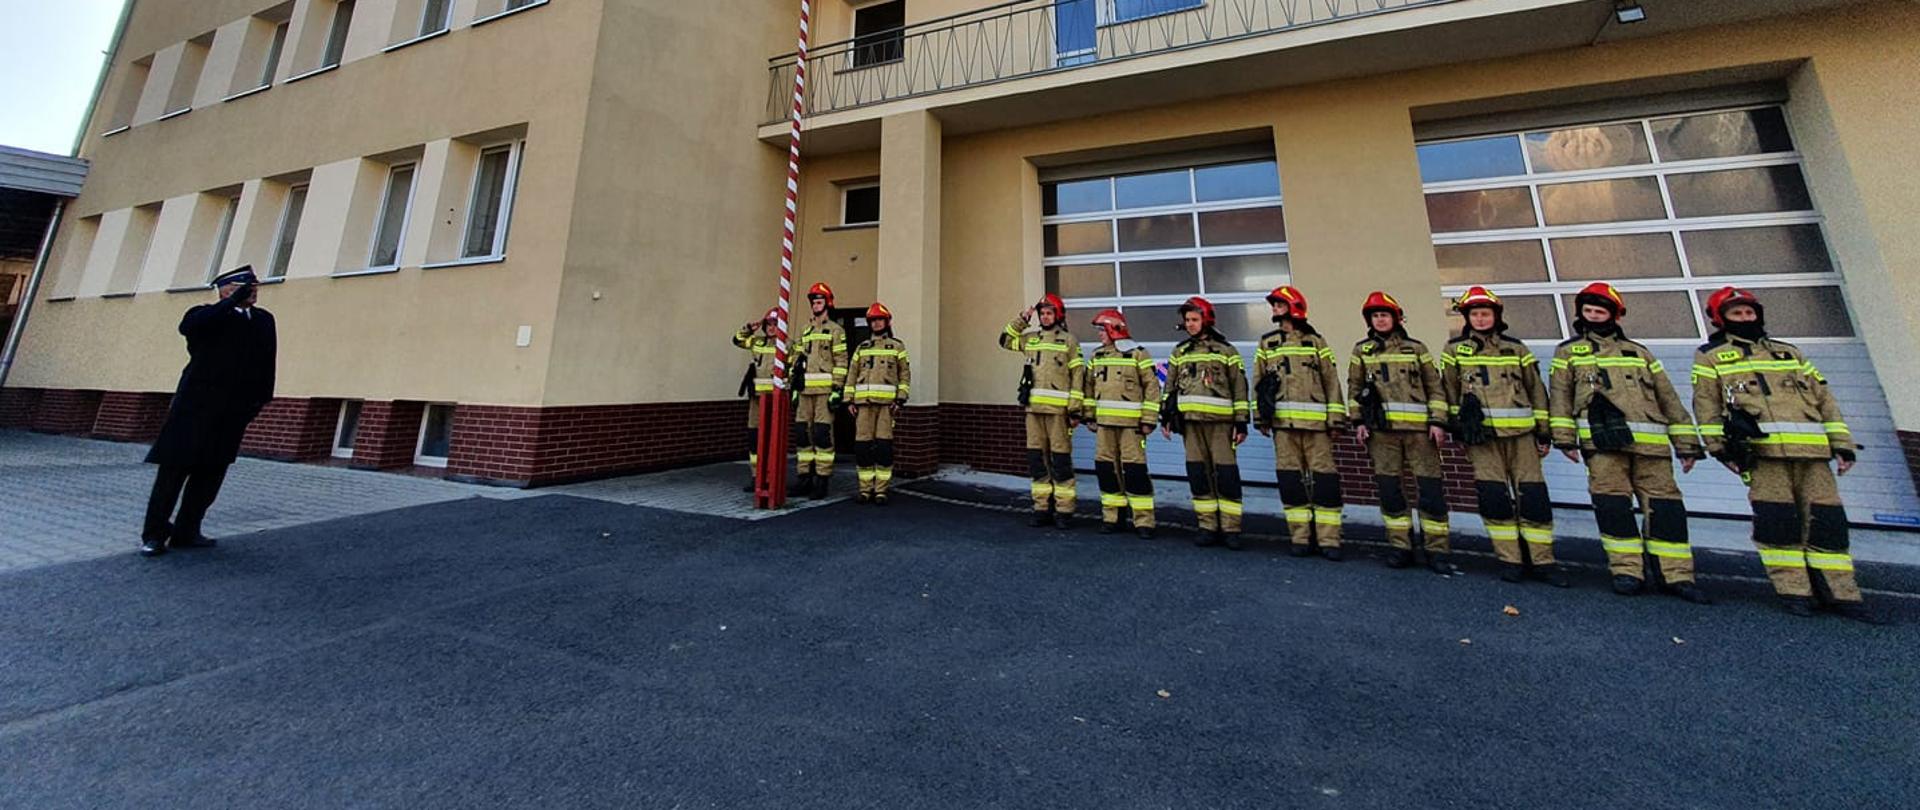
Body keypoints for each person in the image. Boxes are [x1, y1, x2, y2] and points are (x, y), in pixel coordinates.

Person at [1692, 286, 1882, 622]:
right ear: (1722, 319)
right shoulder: (1711, 356)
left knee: (1828, 524)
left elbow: (1826, 401)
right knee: (1777, 524)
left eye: (1749, 312)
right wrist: (1719, 449)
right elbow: (1706, 406)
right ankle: (1795, 592)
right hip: (1762, 456)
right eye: (1736, 314)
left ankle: (1843, 594)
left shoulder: (1790, 353)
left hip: (1812, 455)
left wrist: (1842, 444)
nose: (1745, 318)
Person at [1549, 283, 1710, 603]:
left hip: (1651, 446)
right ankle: (1627, 571)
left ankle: (1676, 575)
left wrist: (1687, 443)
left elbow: (1669, 400)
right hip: (1603, 447)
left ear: (1614, 314)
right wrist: (1565, 440)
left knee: (1666, 510)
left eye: (1600, 311)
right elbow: (1560, 398)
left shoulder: (1640, 352)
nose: (1594, 316)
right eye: (1588, 311)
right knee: (1613, 509)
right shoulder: (1567, 352)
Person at [140, 266, 276, 556]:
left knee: (211, 474)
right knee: (173, 473)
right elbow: (190, 329)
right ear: (225, 288)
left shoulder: (263, 320)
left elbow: (267, 361)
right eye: (243, 285)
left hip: (232, 412)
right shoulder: (204, 315)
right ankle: (154, 534)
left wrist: (260, 400)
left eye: (254, 286)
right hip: (194, 409)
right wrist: (228, 303)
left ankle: (188, 530)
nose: (252, 290)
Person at [1441, 286, 1566, 586]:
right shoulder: (1454, 350)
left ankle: (1543, 561)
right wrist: (1455, 426)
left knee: (1533, 498)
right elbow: (1446, 390)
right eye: (1475, 314)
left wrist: (1544, 433)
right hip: (1482, 439)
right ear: (1467, 318)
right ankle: (1510, 560)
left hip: (1521, 436)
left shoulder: (1517, 348)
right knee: (1494, 498)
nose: (1481, 319)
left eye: (1485, 314)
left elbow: (1537, 390)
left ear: (1496, 316)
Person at [1347, 291, 1453, 573]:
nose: (1380, 320)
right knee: (1390, 491)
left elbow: (1436, 388)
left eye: (1384, 315)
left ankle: (1437, 550)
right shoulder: (1362, 351)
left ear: (1396, 317)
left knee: (1430, 491)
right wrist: (1358, 422)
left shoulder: (1417, 349)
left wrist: (1438, 422)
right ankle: (1400, 546)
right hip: (1381, 434)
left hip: (1421, 434)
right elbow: (1354, 390)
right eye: (1375, 316)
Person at [1253, 286, 1348, 560]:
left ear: (1294, 306)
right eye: (1273, 306)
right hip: (1283, 427)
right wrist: (1260, 417)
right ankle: (1300, 537)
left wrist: (1335, 420)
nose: (1274, 310)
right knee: (1291, 481)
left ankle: (1329, 540)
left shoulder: (1316, 342)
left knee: (1324, 481)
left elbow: (1332, 382)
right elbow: (1258, 383)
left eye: (1279, 305)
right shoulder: (1267, 343)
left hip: (1317, 428)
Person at [1162, 297, 1250, 549]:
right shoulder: (1180, 352)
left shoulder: (1226, 351)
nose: (1189, 324)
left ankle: (1231, 529)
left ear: (1206, 320)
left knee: (1226, 476)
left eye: (1194, 319)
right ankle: (1207, 526)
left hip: (1221, 425)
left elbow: (1239, 388)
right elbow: (1169, 388)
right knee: (1198, 476)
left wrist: (1241, 422)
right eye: (1187, 320)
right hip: (1191, 425)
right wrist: (1166, 416)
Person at [1000, 293, 1085, 528]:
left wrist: (1075, 410)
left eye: (1049, 313)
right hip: (1033, 411)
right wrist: (1022, 319)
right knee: (1037, 461)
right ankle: (1041, 509)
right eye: (1042, 313)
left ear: (1057, 315)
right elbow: (1005, 340)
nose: (1045, 317)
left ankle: (1065, 512)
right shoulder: (1030, 339)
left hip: (1059, 413)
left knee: (1060, 461)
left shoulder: (1069, 341)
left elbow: (1078, 376)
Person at [1081, 309, 1160, 537]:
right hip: (1104, 425)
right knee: (1106, 470)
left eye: (1102, 330)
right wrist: (1089, 416)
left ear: (1115, 328)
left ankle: (1143, 522)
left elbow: (1152, 389)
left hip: (1131, 427)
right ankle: (1112, 517)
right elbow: (1088, 388)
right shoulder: (1097, 356)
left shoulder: (1138, 354)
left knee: (1135, 472)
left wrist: (1149, 420)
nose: (1099, 335)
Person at [850, 302, 909, 505]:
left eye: (879, 320)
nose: (876, 324)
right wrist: (849, 400)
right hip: (863, 406)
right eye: (873, 320)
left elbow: (904, 375)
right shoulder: (861, 348)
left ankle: (881, 490)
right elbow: (852, 375)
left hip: (886, 406)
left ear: (886, 322)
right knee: (862, 448)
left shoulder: (897, 347)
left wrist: (900, 400)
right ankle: (865, 489)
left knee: (884, 448)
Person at [794, 283, 849, 499]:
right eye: (814, 302)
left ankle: (822, 480)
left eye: (819, 301)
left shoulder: (836, 330)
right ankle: (803, 478)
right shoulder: (805, 331)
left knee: (822, 435)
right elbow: (797, 361)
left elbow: (842, 361)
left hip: (825, 392)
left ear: (827, 303)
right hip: (805, 391)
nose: (816, 305)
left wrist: (837, 389)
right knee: (802, 435)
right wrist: (794, 387)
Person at [731, 307, 780, 492]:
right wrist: (749, 328)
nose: (771, 328)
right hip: (756, 401)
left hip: (774, 401)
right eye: (769, 324)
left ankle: (769, 476)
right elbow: (737, 340)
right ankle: (756, 476)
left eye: (775, 324)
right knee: (754, 438)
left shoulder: (786, 345)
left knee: (770, 439)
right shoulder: (757, 342)